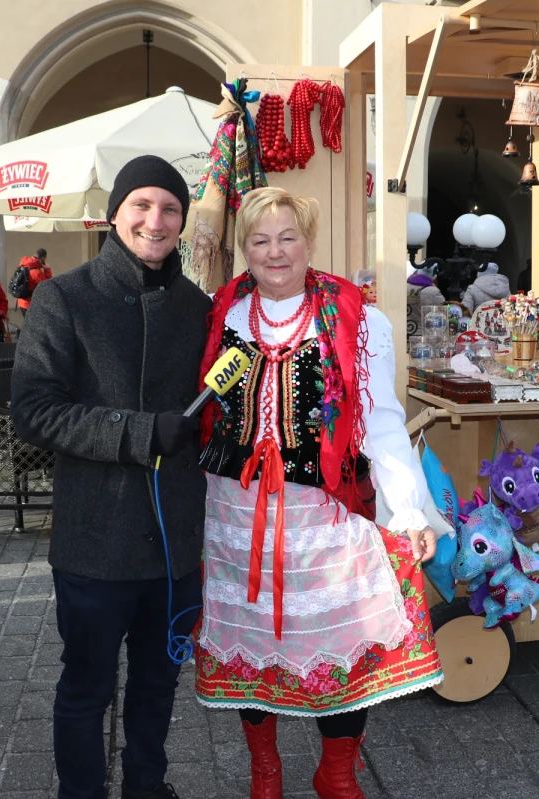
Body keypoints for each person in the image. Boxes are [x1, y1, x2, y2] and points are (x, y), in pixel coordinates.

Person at [193, 187, 444, 799]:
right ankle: (265, 769)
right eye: (260, 240)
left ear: (309, 243)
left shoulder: (356, 318)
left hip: (321, 513)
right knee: (249, 639)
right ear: (244, 250)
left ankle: (335, 772)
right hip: (234, 514)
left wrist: (409, 509)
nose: (275, 251)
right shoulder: (222, 314)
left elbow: (381, 418)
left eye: (288, 237)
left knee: (341, 635)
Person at [11, 155, 209, 799]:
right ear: (114, 213)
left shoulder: (198, 307)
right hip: (96, 541)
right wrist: (140, 433)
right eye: (142, 205)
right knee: (86, 688)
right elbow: (34, 411)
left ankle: (146, 787)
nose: (156, 220)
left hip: (174, 543)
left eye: (170, 209)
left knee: (158, 682)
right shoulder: (64, 296)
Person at [17, 247, 53, 315]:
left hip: (21, 301)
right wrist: (47, 269)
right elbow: (47, 284)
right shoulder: (36, 272)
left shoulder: (24, 263)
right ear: (42, 258)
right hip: (29, 303)